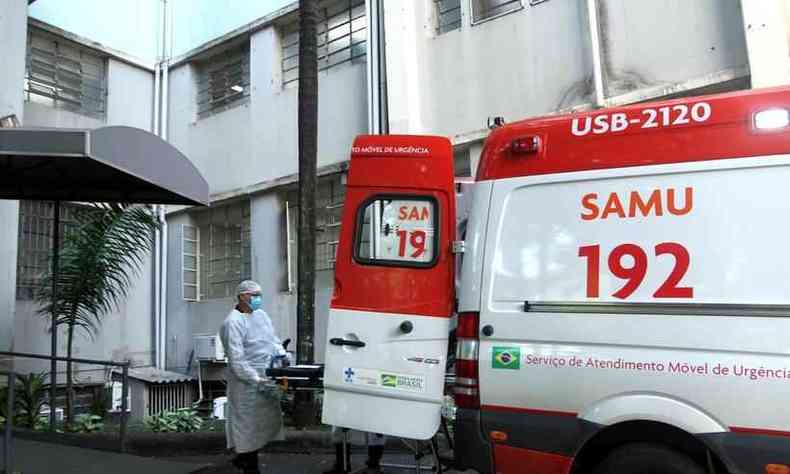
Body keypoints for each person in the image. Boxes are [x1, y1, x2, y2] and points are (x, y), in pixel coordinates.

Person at [220, 280, 286, 474]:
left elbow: (272, 340)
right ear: (242, 296)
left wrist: (282, 356)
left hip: (267, 375)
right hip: (245, 384)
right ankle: (249, 466)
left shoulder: (261, 316)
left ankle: (243, 459)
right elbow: (237, 360)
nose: (258, 299)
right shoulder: (233, 323)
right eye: (254, 295)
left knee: (262, 424)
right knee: (247, 427)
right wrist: (255, 379)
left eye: (259, 295)